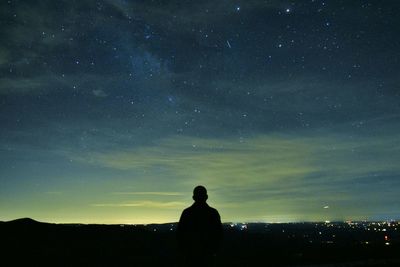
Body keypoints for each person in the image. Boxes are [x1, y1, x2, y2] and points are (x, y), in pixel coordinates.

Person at [177, 185, 223, 267]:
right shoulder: (213, 213)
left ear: (193, 197)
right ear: (206, 197)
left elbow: (180, 234)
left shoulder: (187, 213)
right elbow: (219, 234)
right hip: (208, 255)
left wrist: (184, 251)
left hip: (191, 255)